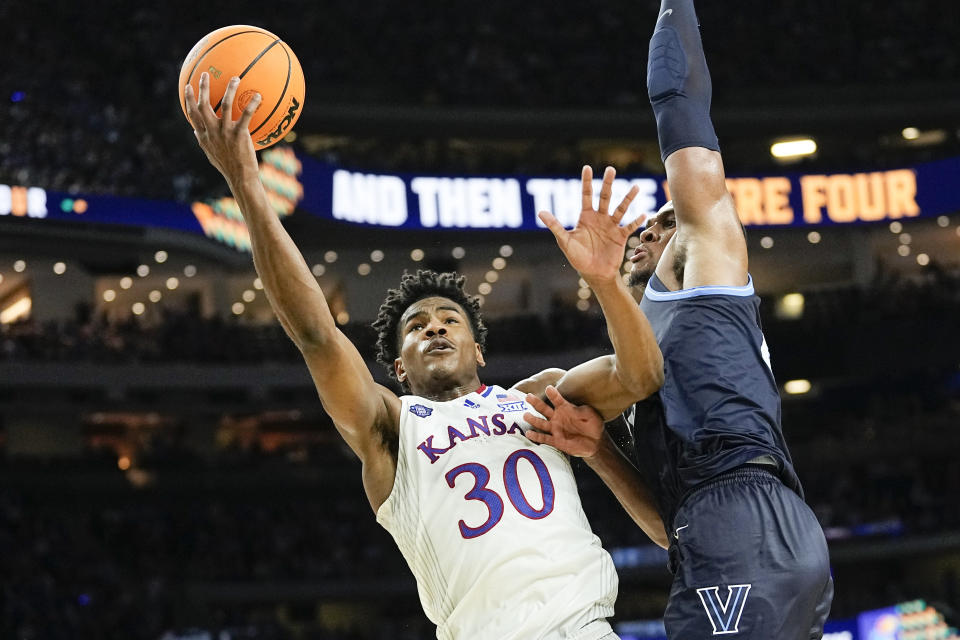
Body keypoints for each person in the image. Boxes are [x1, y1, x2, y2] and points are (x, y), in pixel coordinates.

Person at [184, 72, 665, 640]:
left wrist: (607, 282)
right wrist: (246, 184)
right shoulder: (391, 427)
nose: (434, 328)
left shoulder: (541, 398)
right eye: (417, 327)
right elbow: (315, 335)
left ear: (479, 350)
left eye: (449, 321)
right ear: (398, 368)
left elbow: (641, 375)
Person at [523, 1, 834, 638]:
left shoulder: (702, 256)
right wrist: (601, 453)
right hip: (727, 530)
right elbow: (670, 527)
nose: (641, 235)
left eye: (653, 223)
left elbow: (681, 108)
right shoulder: (645, 342)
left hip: (742, 518)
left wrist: (674, 7)